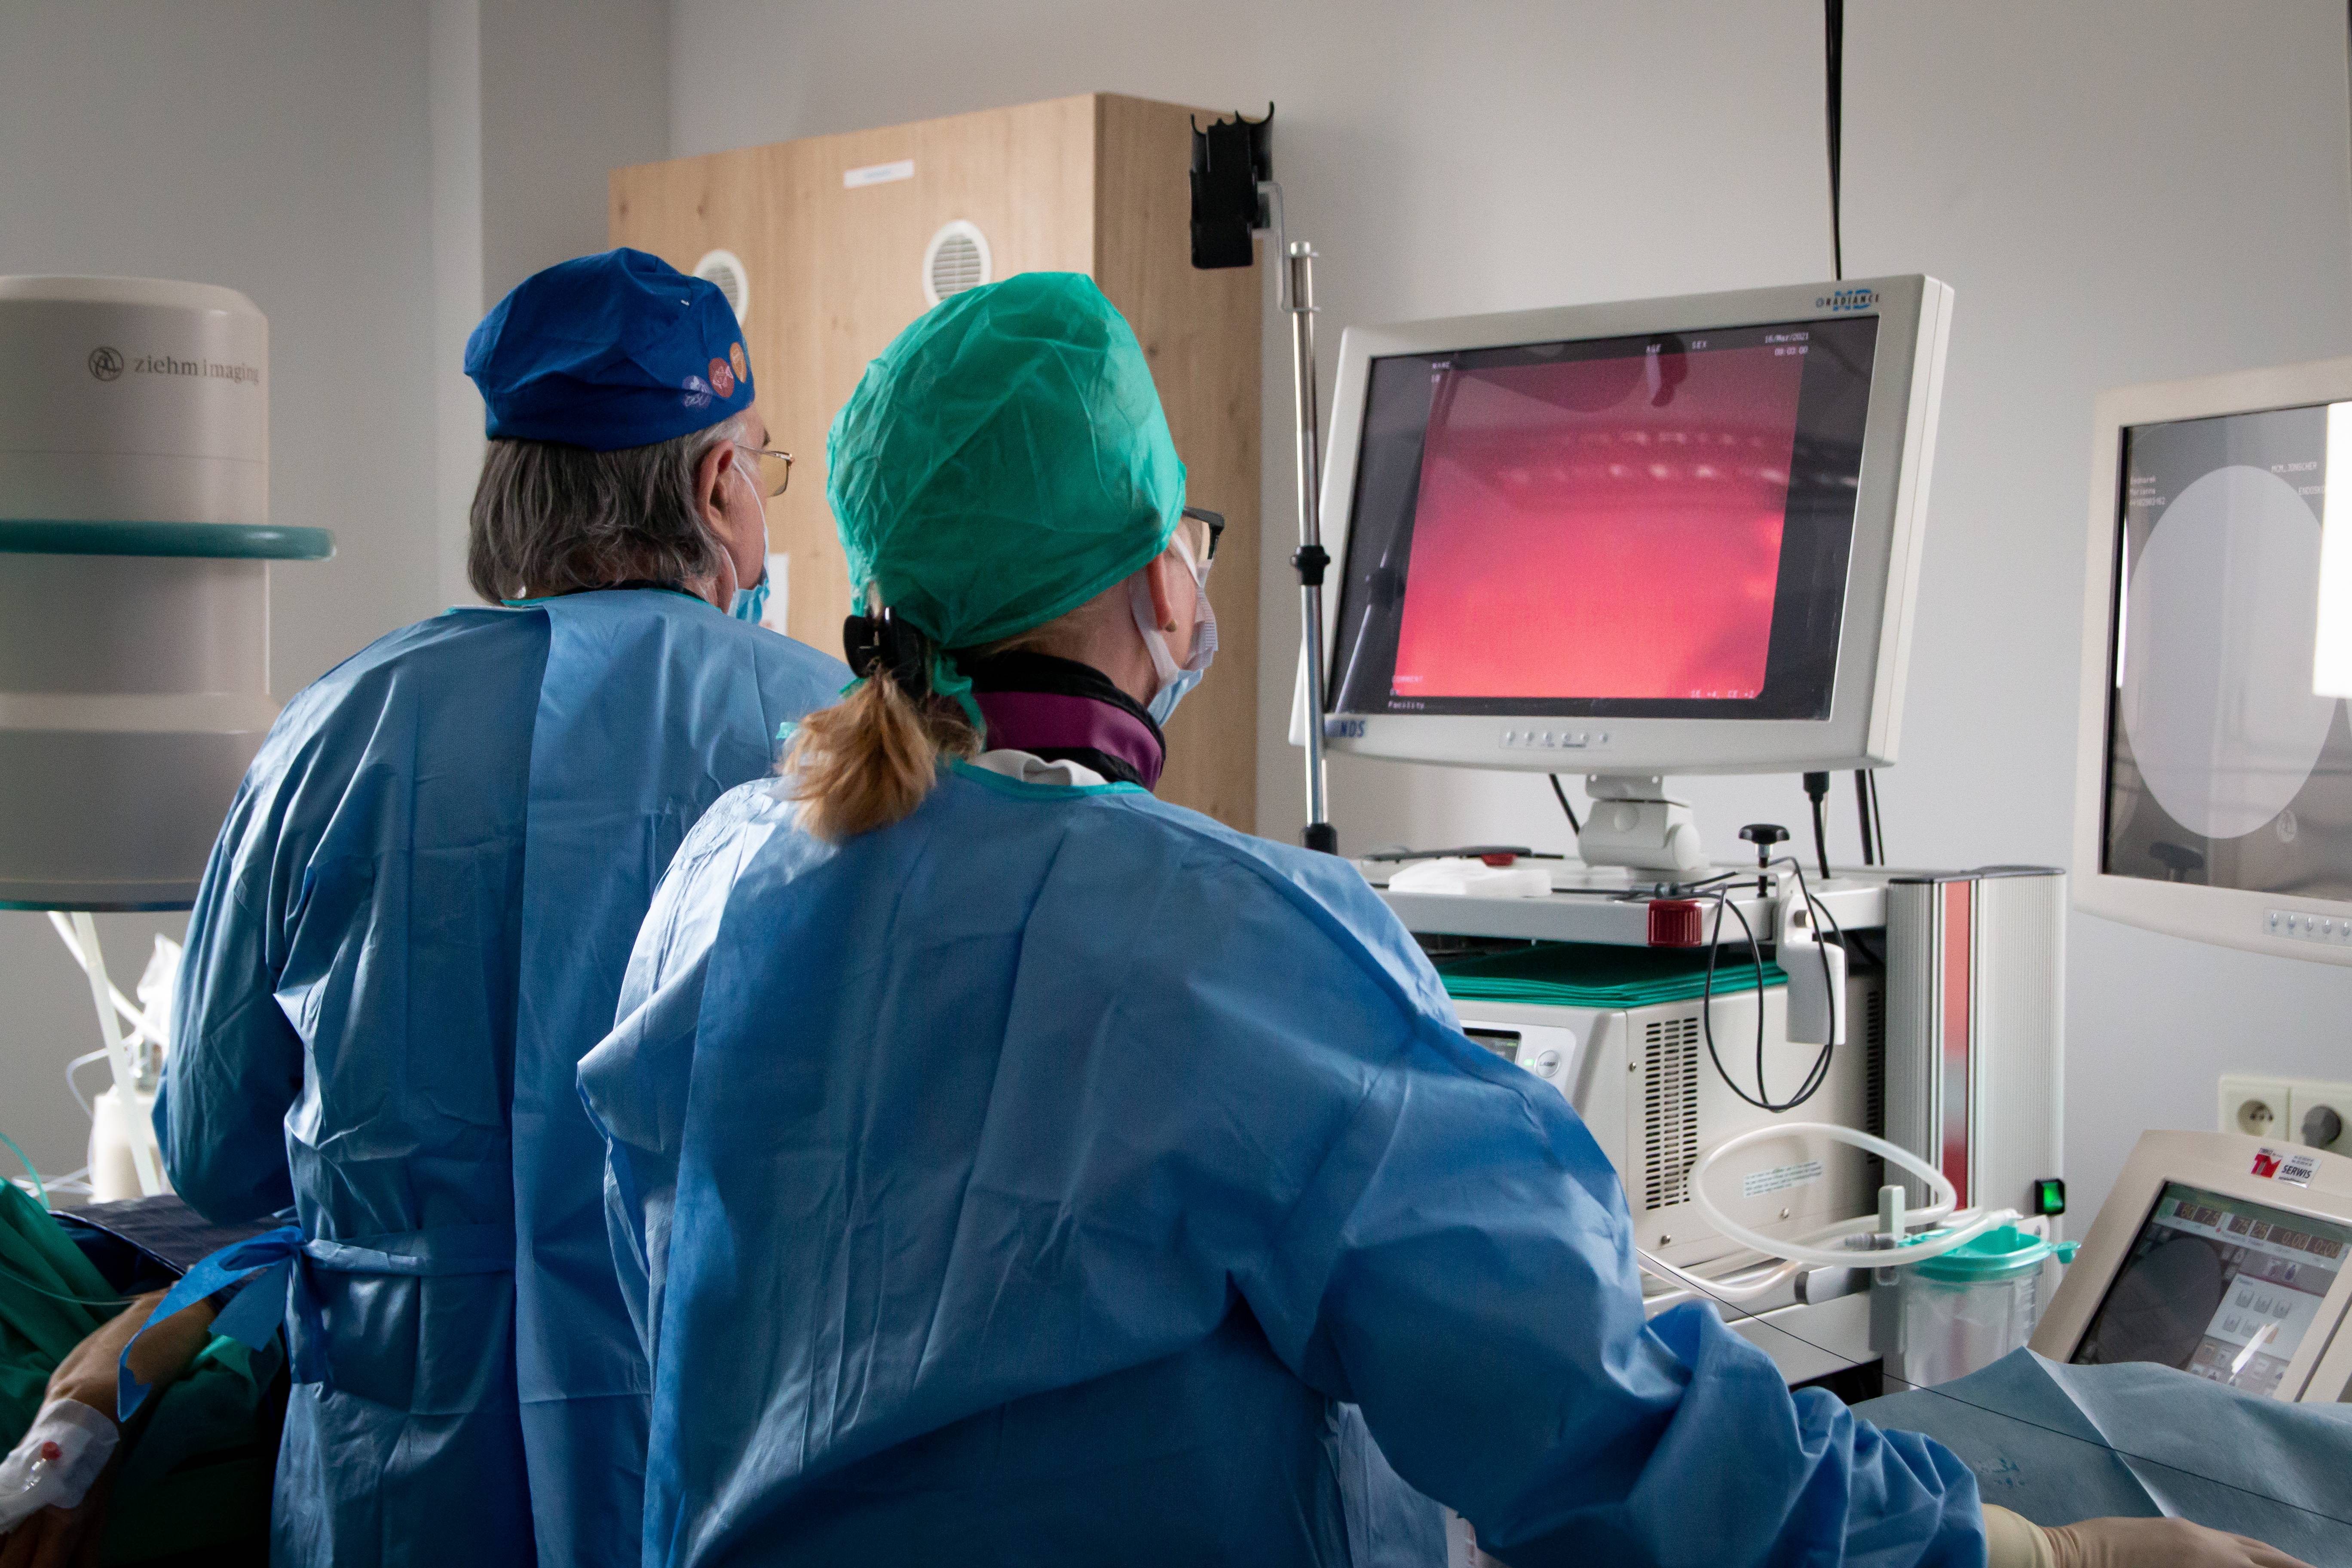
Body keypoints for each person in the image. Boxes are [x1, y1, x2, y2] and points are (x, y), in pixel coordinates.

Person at [578, 272, 2306, 1568]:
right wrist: (2032, 1554)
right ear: (1164, 575)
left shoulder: (730, 876)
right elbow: (1601, 1430)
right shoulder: (1220, 944)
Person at [141, 248, 848, 1568]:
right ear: (716, 483)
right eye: (761, 463)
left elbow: (210, 1158)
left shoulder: (334, 732)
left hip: (395, 1484)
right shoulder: (834, 734)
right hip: (718, 1462)